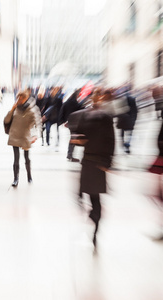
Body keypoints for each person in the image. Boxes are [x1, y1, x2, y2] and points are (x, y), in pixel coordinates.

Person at [68, 93, 115, 250]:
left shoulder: (95, 117)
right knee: (91, 197)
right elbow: (110, 140)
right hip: (94, 161)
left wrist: (108, 161)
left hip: (92, 161)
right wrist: (108, 162)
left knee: (88, 195)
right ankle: (95, 226)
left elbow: (81, 138)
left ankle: (94, 225)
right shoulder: (101, 117)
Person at [4, 90, 42, 187]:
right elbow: (6, 120)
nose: (19, 100)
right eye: (18, 98)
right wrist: (12, 109)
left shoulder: (32, 109)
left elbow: (37, 124)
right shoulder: (15, 108)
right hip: (15, 135)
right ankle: (16, 179)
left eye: (21, 98)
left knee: (26, 158)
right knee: (16, 159)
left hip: (25, 137)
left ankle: (29, 176)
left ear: (26, 99)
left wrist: (35, 135)